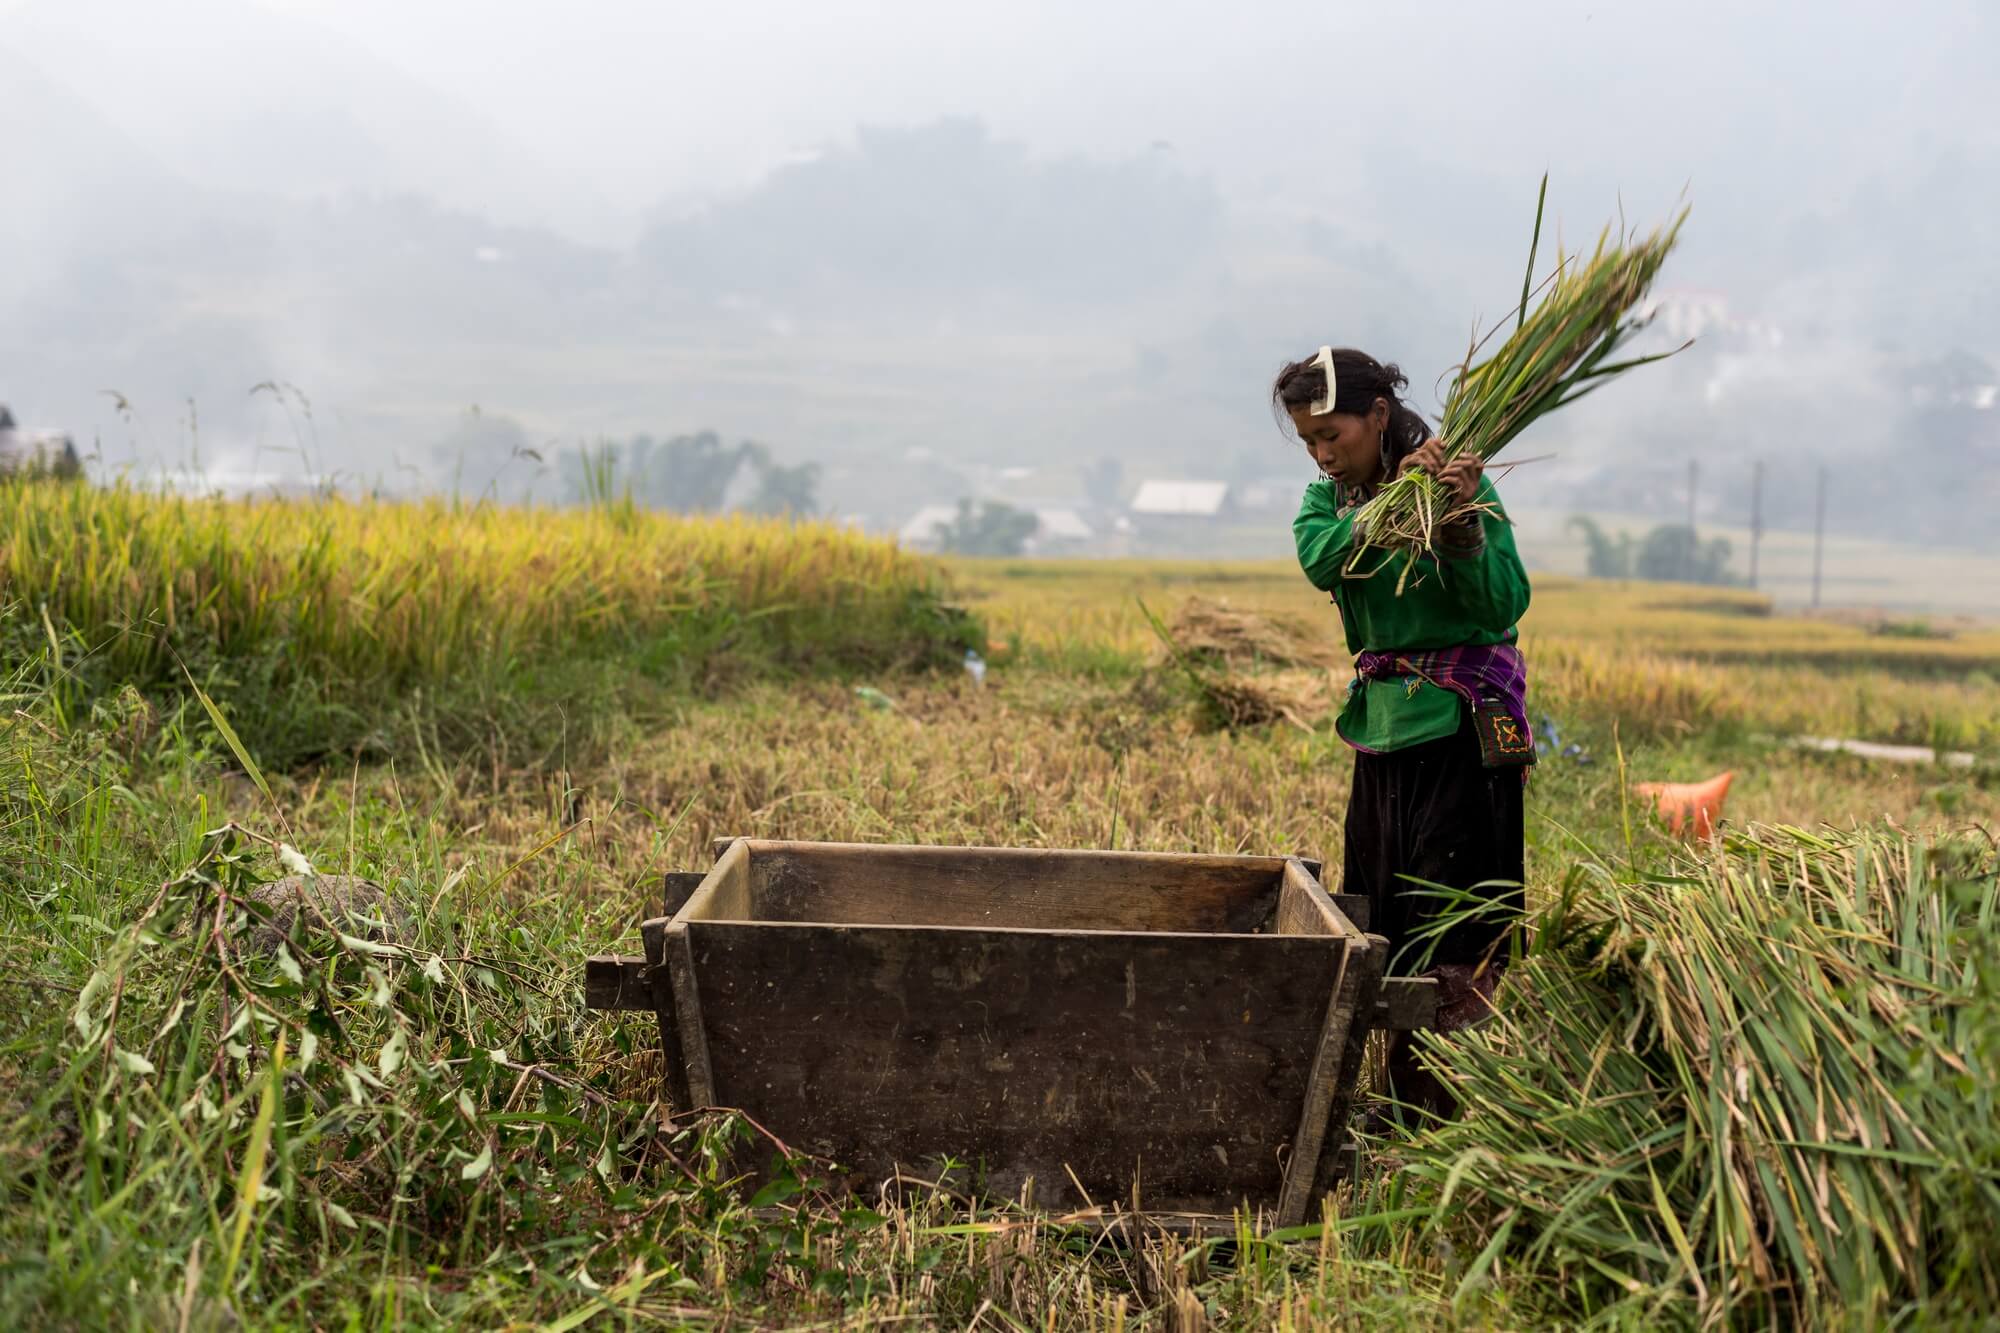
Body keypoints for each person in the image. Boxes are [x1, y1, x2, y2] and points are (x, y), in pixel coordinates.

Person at [1276, 346, 1533, 1124]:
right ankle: (1395, 1104)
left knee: (1456, 919)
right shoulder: (1327, 504)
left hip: (1460, 734)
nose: (1323, 454)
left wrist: (1458, 531)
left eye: (1335, 434)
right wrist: (1392, 505)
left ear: (1379, 415)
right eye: (1310, 441)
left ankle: (1448, 1109)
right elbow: (1321, 559)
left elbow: (1506, 599)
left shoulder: (1462, 487)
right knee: (1387, 914)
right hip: (1383, 735)